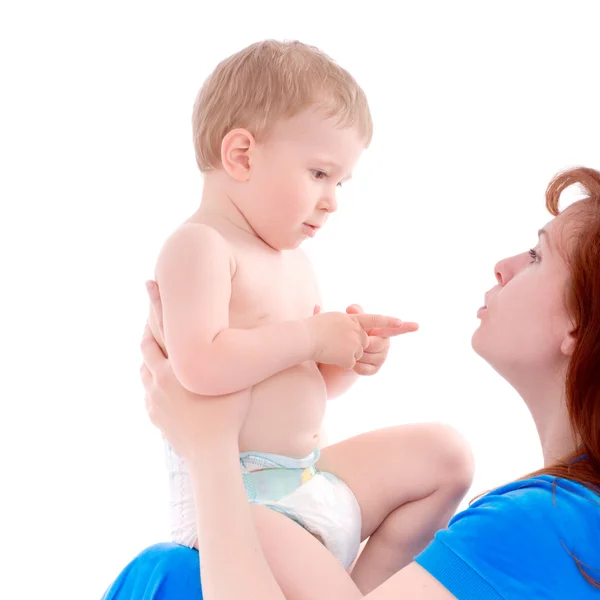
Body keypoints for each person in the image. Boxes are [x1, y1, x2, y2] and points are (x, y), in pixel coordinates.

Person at [103, 166, 600, 599]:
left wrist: (208, 446)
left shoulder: (546, 523)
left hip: (264, 501)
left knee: (171, 572)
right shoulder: (567, 517)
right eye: (320, 174)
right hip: (290, 494)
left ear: (578, 324)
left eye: (536, 256)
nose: (504, 265)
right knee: (445, 451)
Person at [146, 38, 473, 595]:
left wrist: (343, 358)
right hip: (243, 504)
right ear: (242, 156)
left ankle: (365, 584)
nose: (332, 201)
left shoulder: (292, 260)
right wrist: (308, 336)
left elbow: (298, 385)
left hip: (307, 478)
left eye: (340, 182)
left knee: (446, 457)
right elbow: (200, 368)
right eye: (320, 174)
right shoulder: (200, 246)